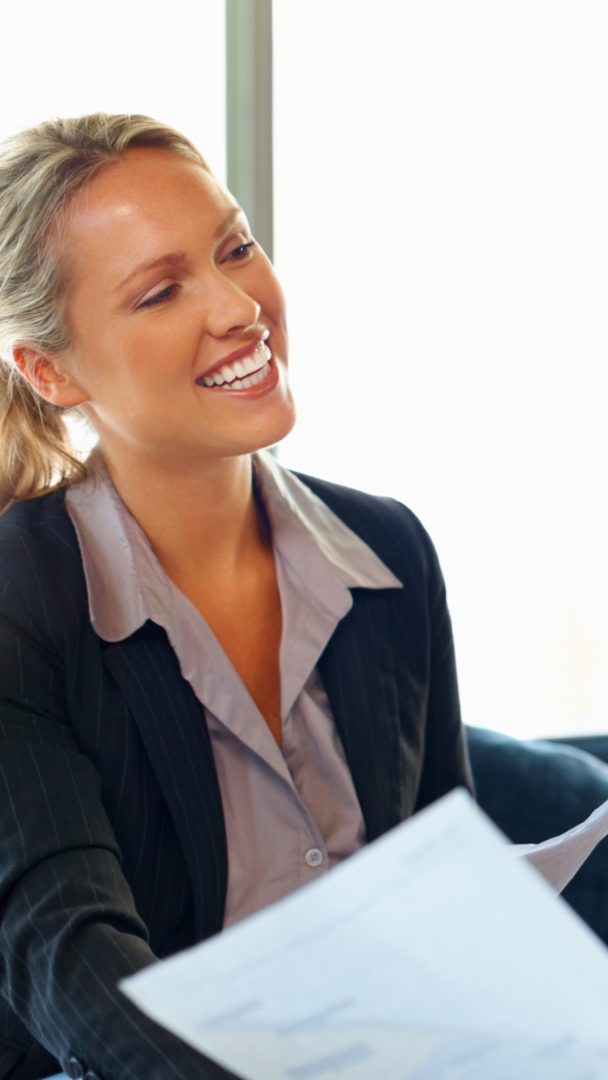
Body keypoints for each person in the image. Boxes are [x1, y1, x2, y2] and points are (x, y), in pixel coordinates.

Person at [0, 115, 468, 1080]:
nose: (237, 305)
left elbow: (449, 886)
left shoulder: (390, 555)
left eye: (236, 248)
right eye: (162, 291)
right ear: (51, 372)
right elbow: (70, 959)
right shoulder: (21, 597)